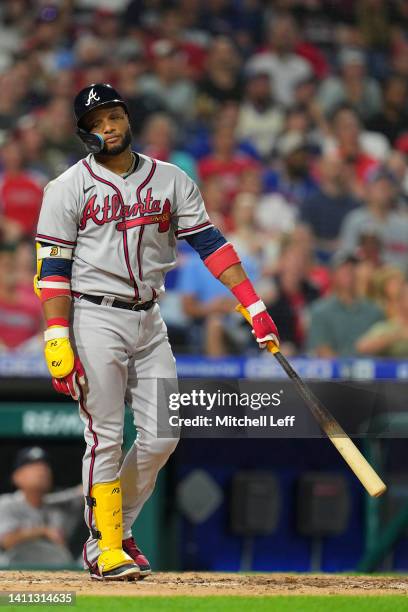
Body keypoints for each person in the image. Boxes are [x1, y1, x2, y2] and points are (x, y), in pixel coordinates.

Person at [34, 83, 280, 580]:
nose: (109, 125)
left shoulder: (171, 180)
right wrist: (57, 334)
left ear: (128, 119)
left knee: (165, 433)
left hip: (149, 317)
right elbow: (53, 269)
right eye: (98, 120)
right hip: (92, 315)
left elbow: (212, 245)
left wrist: (252, 304)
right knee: (103, 434)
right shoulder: (66, 188)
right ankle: (103, 546)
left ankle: (116, 527)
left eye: (115, 115)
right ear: (85, 132)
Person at [0, 447, 82, 568]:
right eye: (32, 465)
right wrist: (43, 531)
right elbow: (6, 541)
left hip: (59, 575)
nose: (42, 470)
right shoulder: (7, 503)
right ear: (17, 477)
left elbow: (87, 490)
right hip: (14, 573)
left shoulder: (60, 502)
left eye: (44, 466)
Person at [307, 252, 383, 357]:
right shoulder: (320, 311)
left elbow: (381, 350)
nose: (349, 271)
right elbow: (323, 351)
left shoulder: (374, 311)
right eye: (343, 267)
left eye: (353, 267)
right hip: (335, 372)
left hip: (371, 371)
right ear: (333, 273)